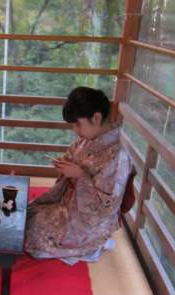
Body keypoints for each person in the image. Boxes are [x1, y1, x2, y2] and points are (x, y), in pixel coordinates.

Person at [25, 86, 132, 265]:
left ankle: (90, 246)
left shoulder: (117, 156)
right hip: (69, 206)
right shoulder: (87, 138)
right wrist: (65, 164)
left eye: (78, 124)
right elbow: (73, 154)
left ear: (96, 117)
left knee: (35, 234)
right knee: (27, 215)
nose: (75, 130)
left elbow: (107, 206)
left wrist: (80, 175)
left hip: (89, 223)